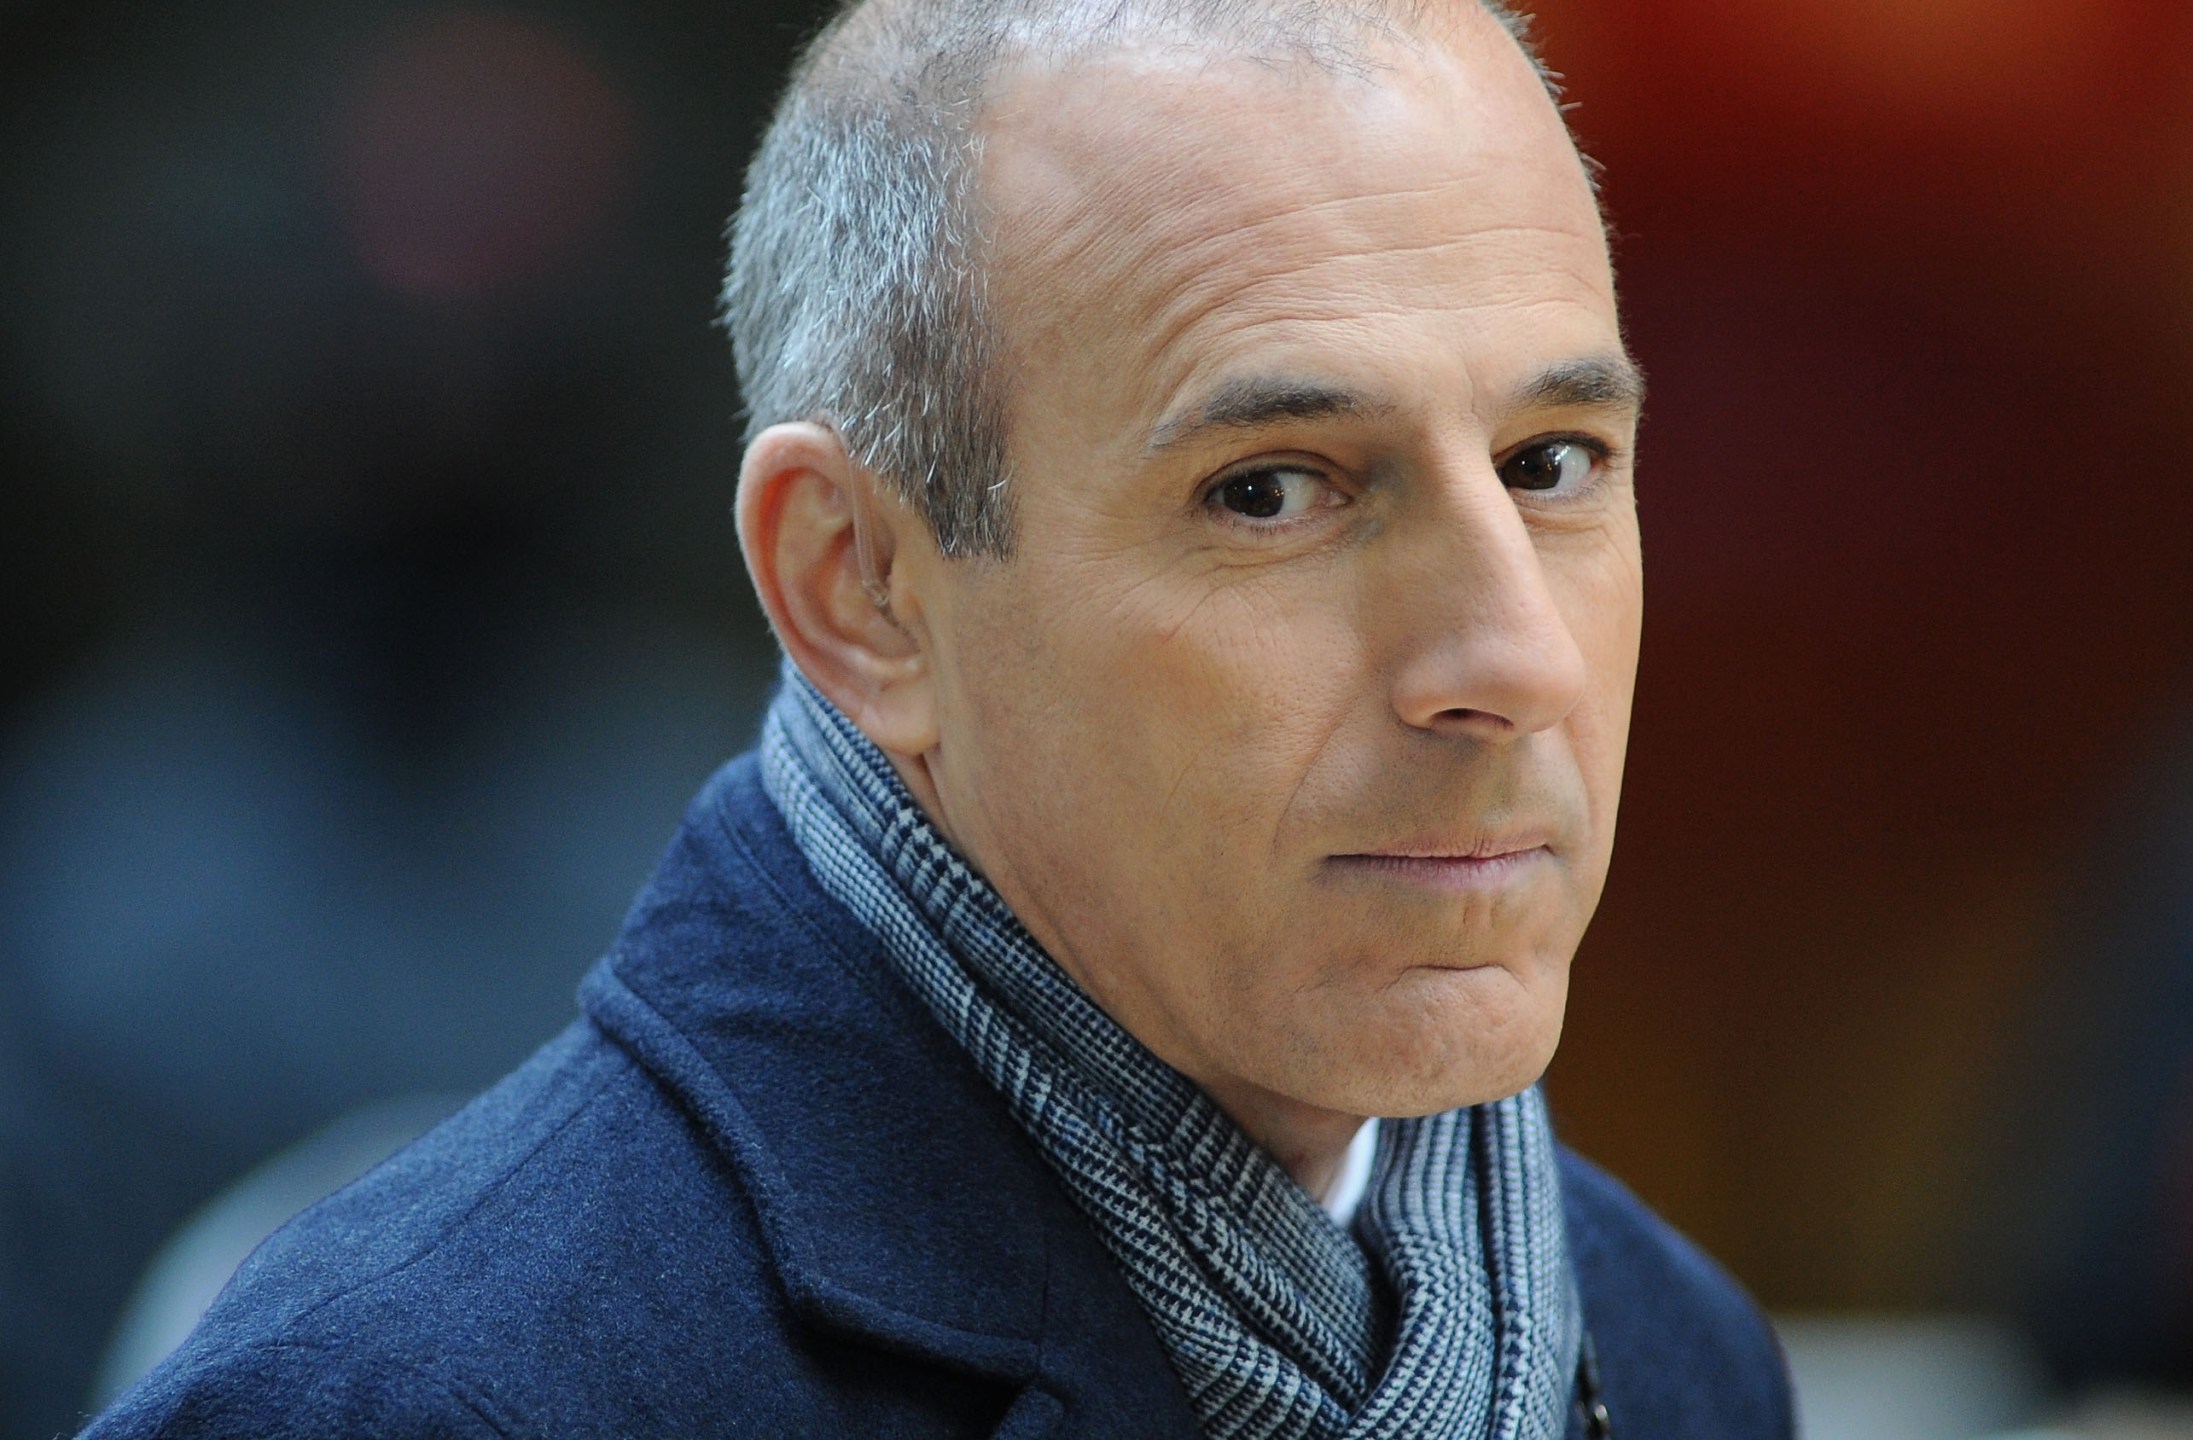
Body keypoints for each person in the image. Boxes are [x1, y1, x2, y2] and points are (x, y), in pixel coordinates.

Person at [84, 0, 1794, 1435]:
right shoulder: (416, 1401)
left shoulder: (1663, 1349)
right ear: (857, 586)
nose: (1513, 657)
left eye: (1552, 464)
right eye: (1273, 490)